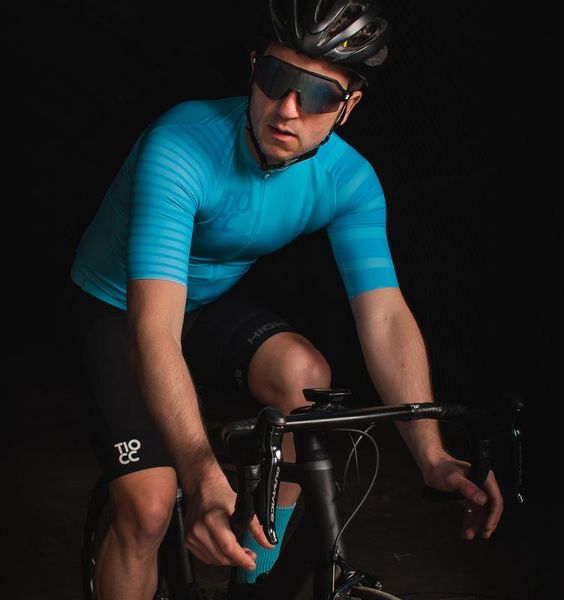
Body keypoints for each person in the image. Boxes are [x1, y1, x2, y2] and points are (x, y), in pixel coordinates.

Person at [64, 1, 504, 598]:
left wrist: (432, 454)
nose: (289, 108)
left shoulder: (350, 181)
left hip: (205, 301)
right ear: (253, 69)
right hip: (119, 307)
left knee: (305, 378)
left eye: (319, 94)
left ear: (349, 106)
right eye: (276, 78)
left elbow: (383, 316)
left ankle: (255, 579)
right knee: (147, 508)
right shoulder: (180, 146)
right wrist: (200, 473)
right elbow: (154, 331)